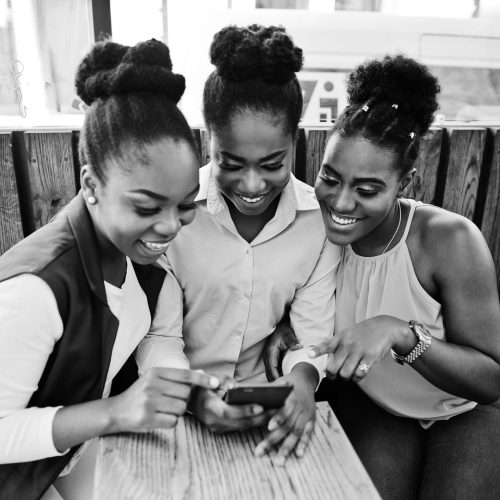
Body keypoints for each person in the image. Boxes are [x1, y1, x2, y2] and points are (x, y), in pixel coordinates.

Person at [265, 54, 500, 499]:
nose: (341, 203)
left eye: (367, 190)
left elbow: (490, 381)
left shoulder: (449, 241)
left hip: (465, 412)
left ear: (404, 182)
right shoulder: (316, 231)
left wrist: (401, 334)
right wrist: (286, 326)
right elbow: (312, 302)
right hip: (380, 408)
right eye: (330, 178)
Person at [0, 38, 220, 500]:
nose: (169, 226)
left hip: (64, 452)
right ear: (91, 184)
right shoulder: (35, 291)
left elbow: (158, 336)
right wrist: (115, 412)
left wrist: (181, 387)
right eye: (146, 206)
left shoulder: (139, 256)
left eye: (184, 205)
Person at [137, 24, 341, 465]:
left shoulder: (316, 225)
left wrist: (302, 383)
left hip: (271, 406)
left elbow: (311, 336)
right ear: (207, 138)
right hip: (176, 406)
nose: (252, 185)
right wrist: (194, 396)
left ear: (294, 142)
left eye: (272, 164)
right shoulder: (177, 217)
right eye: (231, 163)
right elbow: (160, 336)